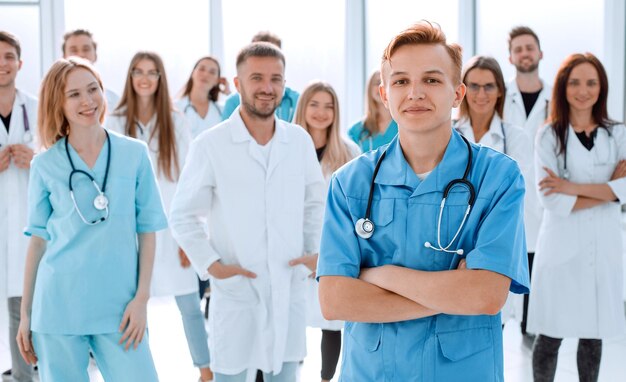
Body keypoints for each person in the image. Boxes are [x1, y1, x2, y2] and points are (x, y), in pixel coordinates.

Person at [317, 21, 529, 381]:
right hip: (371, 373)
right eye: (400, 81)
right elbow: (335, 300)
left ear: (457, 94)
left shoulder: (497, 178)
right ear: (384, 95)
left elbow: (486, 296)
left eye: (431, 80)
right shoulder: (350, 183)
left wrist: (379, 275)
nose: (414, 93)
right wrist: (450, 293)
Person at [169, 42, 325, 382]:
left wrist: (313, 253)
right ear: (237, 84)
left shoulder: (297, 141)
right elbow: (181, 213)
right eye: (257, 78)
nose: (267, 88)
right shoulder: (211, 145)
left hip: (289, 283)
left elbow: (316, 203)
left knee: (285, 372)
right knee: (230, 373)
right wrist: (212, 266)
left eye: (276, 79)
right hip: (236, 290)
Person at [16, 57, 165, 381]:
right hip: (58, 306)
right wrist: (25, 315)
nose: (88, 101)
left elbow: (148, 230)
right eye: (74, 94)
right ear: (59, 102)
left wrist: (142, 298)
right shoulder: (45, 164)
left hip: (121, 307)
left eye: (93, 89)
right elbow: (38, 242)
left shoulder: (134, 154)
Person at [107, 51, 213, 382]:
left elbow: (189, 181)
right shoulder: (114, 121)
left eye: (152, 72)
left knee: (189, 305)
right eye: (138, 71)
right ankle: (140, 372)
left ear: (160, 79)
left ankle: (206, 371)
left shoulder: (176, 121)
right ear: (130, 77)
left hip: (171, 227)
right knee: (135, 305)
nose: (144, 78)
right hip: (128, 229)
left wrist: (191, 235)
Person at [528, 53, 626, 382]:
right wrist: (607, 191)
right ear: (562, 87)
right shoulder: (548, 136)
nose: (583, 90)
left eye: (591, 82)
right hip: (561, 248)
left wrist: (571, 187)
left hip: (603, 248)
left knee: (593, 333)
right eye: (575, 82)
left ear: (602, 88)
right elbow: (552, 200)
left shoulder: (617, 134)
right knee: (550, 333)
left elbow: (624, 191)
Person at [452, 56, 533, 330]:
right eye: (473, 86)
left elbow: (511, 196)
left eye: (489, 86)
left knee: (488, 330)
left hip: (495, 246)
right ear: (461, 90)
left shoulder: (516, 137)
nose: (481, 94)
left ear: (500, 90)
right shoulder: (447, 133)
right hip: (451, 244)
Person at [291, 81, 360, 382]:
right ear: (303, 108)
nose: (321, 112)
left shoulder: (349, 152)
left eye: (328, 106)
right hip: (292, 252)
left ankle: (326, 378)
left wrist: (324, 256)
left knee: (331, 322)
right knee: (289, 325)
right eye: (314, 104)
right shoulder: (284, 148)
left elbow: (357, 210)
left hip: (331, 250)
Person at [503, 26, 551, 340]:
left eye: (529, 47)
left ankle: (529, 329)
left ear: (540, 53)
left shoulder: (555, 97)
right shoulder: (500, 96)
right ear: (510, 57)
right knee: (505, 264)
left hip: (545, 197)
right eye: (518, 49)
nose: (524, 53)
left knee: (537, 268)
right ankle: (503, 323)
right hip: (509, 196)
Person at [0, 30, 38, 382]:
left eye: (8, 56)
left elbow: (63, 159)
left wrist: (36, 158)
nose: (2, 64)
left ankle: (27, 377)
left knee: (21, 306)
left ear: (19, 63)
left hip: (26, 223)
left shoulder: (37, 107)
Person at [221, 31, 299, 122]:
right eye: (257, 78)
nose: (267, 89)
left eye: (274, 52)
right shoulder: (232, 102)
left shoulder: (296, 99)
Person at [62, 29, 120, 111]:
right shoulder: (55, 99)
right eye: (74, 50)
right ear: (64, 57)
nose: (81, 54)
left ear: (95, 55)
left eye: (86, 49)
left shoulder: (115, 101)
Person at [177, 56, 231, 138]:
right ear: (192, 73)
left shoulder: (223, 110)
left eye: (212, 72)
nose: (206, 74)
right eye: (202, 69)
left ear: (217, 81)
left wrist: (229, 94)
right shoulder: (175, 107)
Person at [347, 71, 398, 152]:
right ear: (369, 89)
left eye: (387, 82)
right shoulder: (355, 131)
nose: (382, 86)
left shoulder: (404, 125)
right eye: (378, 82)